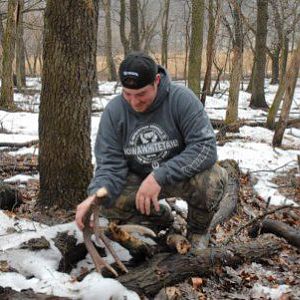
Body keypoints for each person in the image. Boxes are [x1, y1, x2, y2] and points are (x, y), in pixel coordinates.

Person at [76, 52, 228, 249]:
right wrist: (94, 197)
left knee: (212, 179)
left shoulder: (180, 99)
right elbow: (110, 167)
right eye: (127, 94)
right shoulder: (114, 112)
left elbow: (205, 148)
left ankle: (197, 232)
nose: (133, 102)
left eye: (141, 94)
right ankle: (160, 220)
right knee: (107, 201)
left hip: (178, 176)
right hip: (138, 180)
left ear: (157, 81)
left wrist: (159, 176)